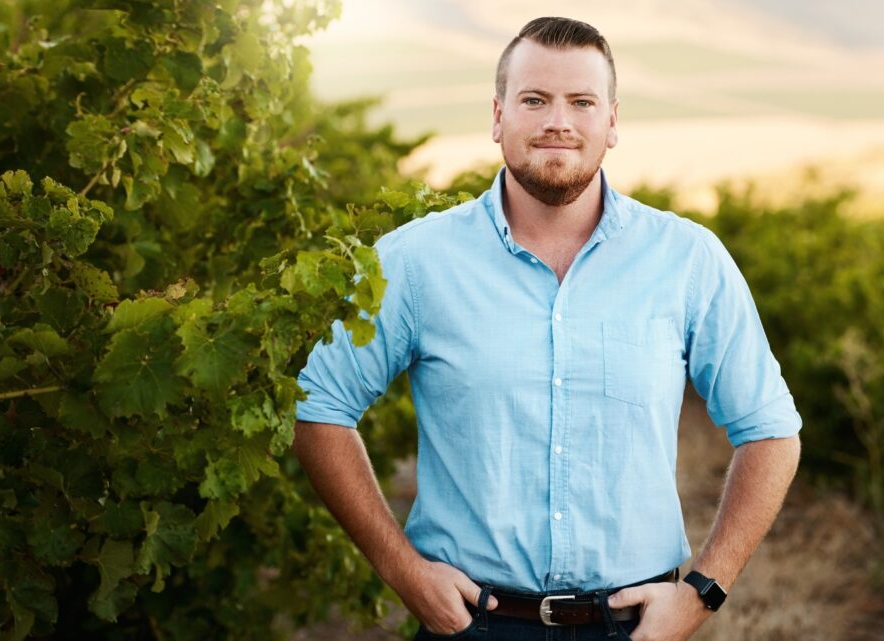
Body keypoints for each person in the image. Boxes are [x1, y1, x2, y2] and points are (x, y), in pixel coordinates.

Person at [292, 16, 802, 641]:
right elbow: (319, 406)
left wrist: (704, 591)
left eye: (581, 102)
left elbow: (771, 432)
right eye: (535, 100)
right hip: (473, 625)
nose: (558, 120)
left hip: (636, 627)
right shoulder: (414, 262)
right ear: (498, 115)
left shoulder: (688, 260)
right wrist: (401, 570)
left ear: (611, 122)